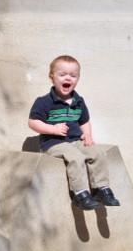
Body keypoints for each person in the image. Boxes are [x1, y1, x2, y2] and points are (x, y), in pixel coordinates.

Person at [28, 55, 120, 210]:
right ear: (52, 78)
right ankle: (79, 194)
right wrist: (52, 129)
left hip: (76, 141)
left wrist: (88, 135)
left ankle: (101, 189)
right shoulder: (44, 101)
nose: (67, 78)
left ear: (78, 79)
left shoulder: (79, 101)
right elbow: (33, 122)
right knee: (75, 157)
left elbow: (84, 121)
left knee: (98, 153)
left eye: (73, 75)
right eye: (62, 74)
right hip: (53, 143)